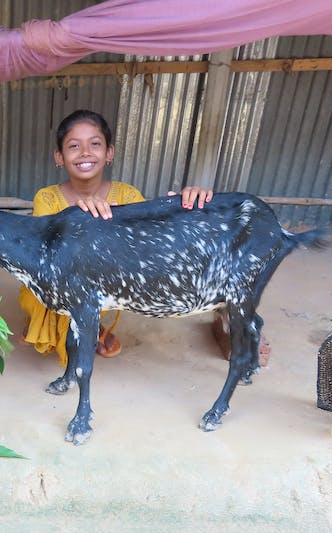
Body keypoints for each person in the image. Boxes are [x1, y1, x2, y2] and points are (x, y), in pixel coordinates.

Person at [18, 109, 213, 366]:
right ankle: (47, 323)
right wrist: (80, 216)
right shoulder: (47, 197)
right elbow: (45, 253)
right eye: (74, 146)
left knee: (105, 282)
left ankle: (88, 325)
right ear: (59, 157)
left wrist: (183, 205)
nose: (85, 152)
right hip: (60, 280)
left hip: (101, 282)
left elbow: (153, 240)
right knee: (40, 285)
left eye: (95, 144)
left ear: (109, 153)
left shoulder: (127, 195)